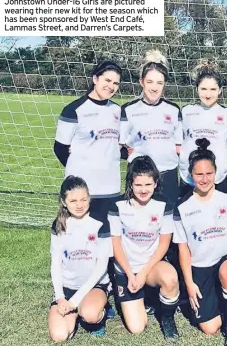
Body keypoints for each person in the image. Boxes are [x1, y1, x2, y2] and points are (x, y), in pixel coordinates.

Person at [174, 138, 227, 346]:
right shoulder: (182, 206)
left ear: (216, 173)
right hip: (201, 267)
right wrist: (189, 284)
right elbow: (183, 248)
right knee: (210, 328)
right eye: (199, 174)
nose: (204, 179)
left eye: (209, 173)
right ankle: (225, 303)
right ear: (190, 175)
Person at [109, 156, 180, 340]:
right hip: (126, 269)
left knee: (170, 279)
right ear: (130, 183)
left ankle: (167, 318)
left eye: (148, 184)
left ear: (156, 183)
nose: (143, 190)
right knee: (137, 328)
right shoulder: (117, 206)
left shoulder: (164, 205)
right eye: (138, 185)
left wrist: (142, 274)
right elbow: (116, 245)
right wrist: (131, 274)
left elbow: (164, 243)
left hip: (150, 266)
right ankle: (137, 297)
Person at [54, 60, 123, 219]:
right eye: (107, 80)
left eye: (115, 83)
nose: (111, 86)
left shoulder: (117, 110)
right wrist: (80, 167)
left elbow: (119, 144)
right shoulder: (74, 110)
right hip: (82, 190)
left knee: (107, 239)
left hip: (110, 187)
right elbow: (60, 148)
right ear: (95, 79)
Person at [48, 176, 112, 342]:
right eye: (73, 200)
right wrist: (61, 297)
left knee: (90, 315)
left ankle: (97, 310)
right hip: (68, 288)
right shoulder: (59, 225)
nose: (79, 205)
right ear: (64, 202)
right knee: (60, 336)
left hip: (94, 286)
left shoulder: (100, 223)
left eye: (84, 199)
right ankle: (75, 312)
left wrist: (75, 300)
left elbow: (101, 267)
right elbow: (55, 263)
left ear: (89, 198)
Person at [120, 49, 183, 208]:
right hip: (139, 177)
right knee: (138, 223)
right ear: (142, 82)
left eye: (159, 83)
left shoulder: (174, 110)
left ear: (164, 85)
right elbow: (118, 144)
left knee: (168, 222)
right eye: (150, 82)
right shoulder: (128, 109)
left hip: (167, 175)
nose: (154, 88)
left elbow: (179, 146)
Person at [179, 61, 227, 197]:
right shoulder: (186, 112)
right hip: (189, 176)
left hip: (218, 176)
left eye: (213, 89)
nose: (208, 94)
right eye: (203, 89)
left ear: (220, 90)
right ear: (196, 89)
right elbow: (178, 139)